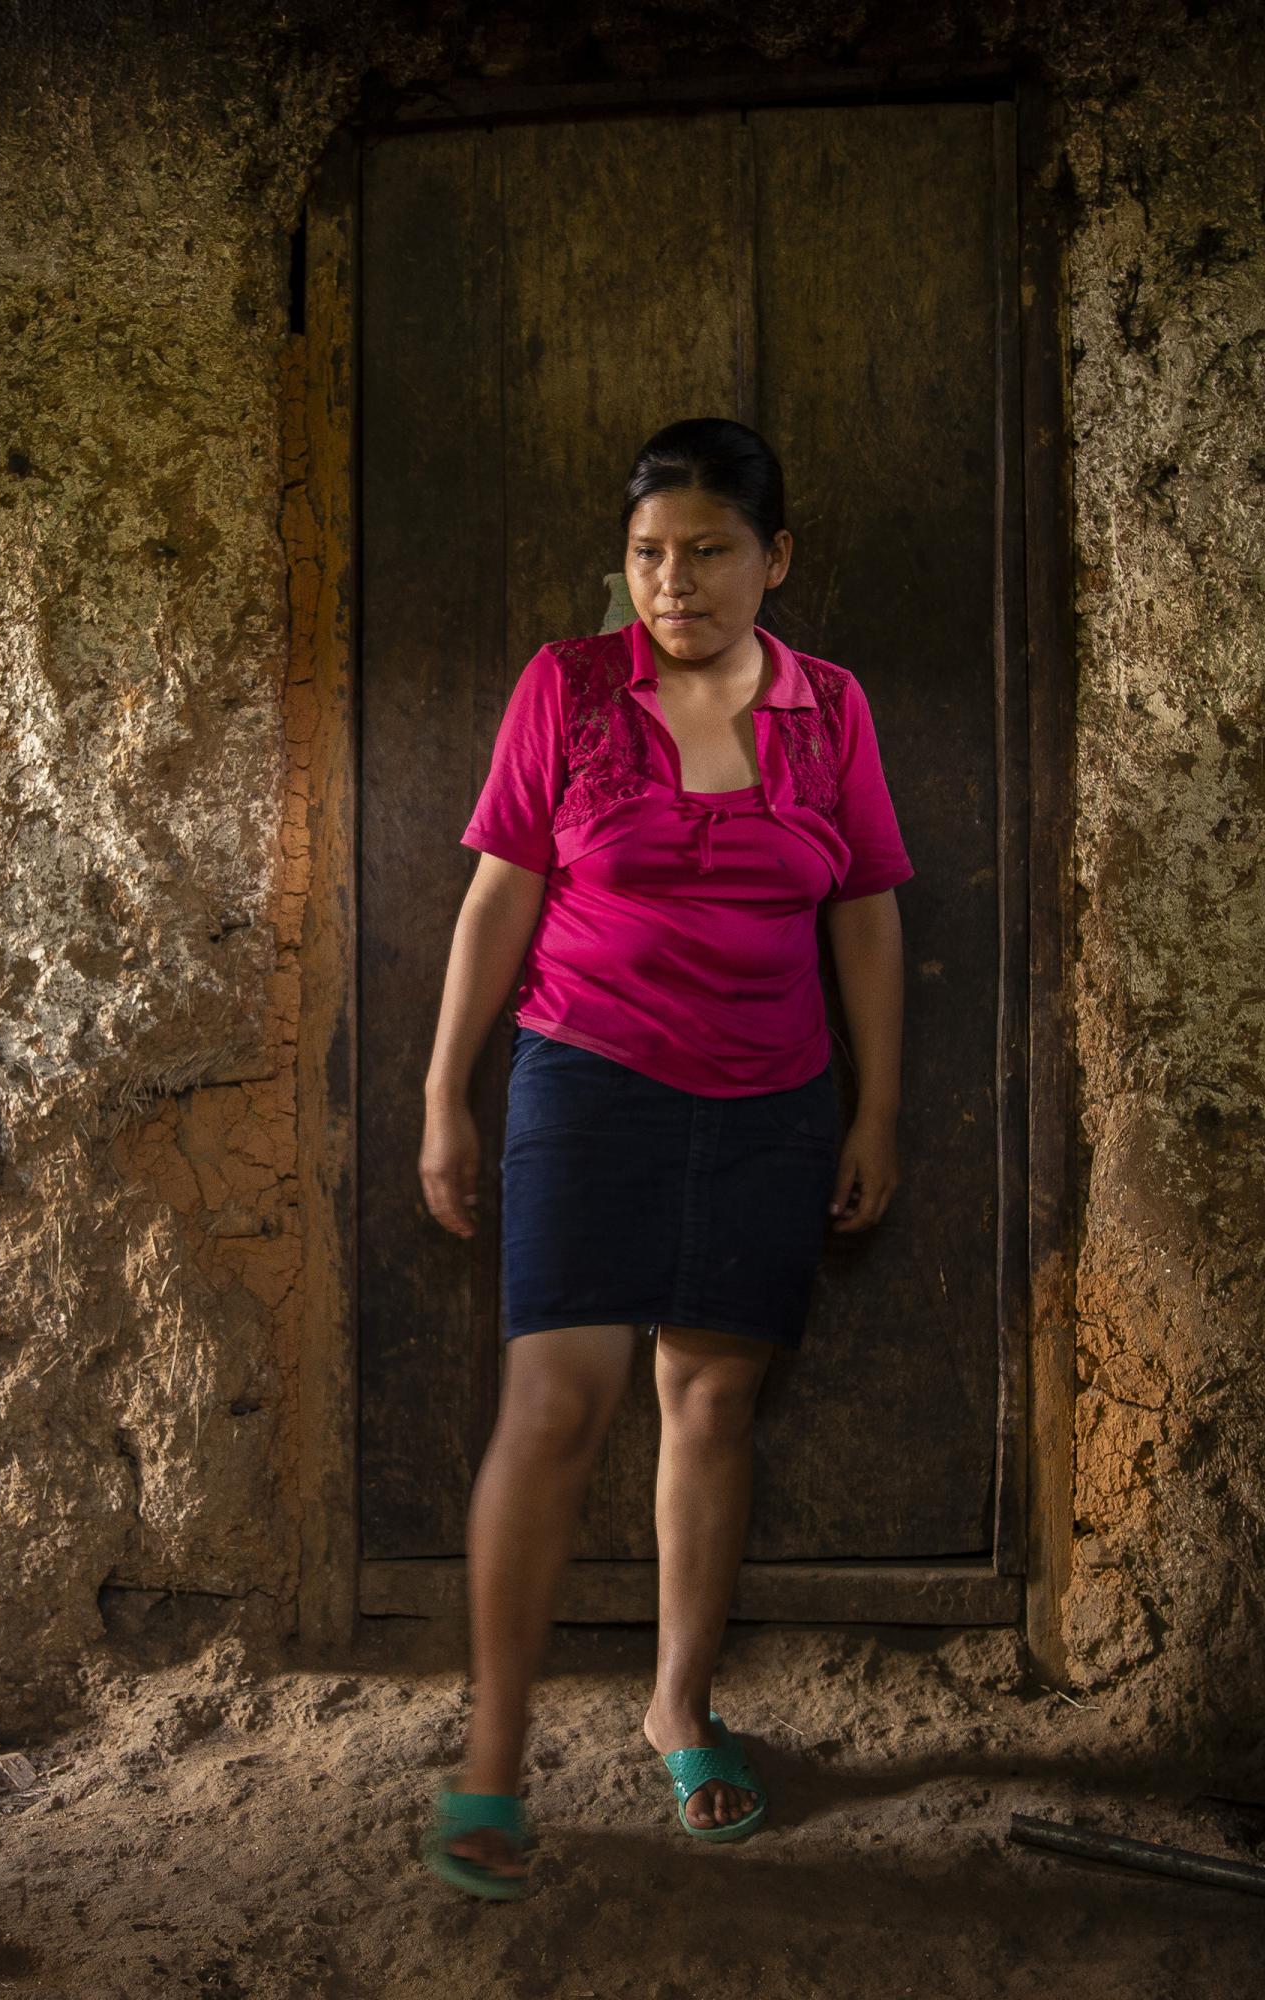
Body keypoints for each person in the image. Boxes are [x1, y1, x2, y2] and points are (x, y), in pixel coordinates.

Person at [417, 418, 911, 1898]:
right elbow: (500, 896)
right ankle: (493, 1758)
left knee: (711, 1398)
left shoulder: (830, 710)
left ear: (775, 561)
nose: (673, 584)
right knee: (555, 1404)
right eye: (647, 555)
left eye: (706, 553)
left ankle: (678, 1707)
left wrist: (877, 1109)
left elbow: (868, 912)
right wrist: (449, 1091)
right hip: (588, 1075)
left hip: (772, 1096)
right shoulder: (567, 688)